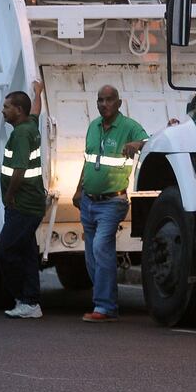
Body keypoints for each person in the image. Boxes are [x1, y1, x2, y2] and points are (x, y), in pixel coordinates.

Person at [73, 85, 148, 323]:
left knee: (100, 248)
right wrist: (78, 190)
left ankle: (104, 306)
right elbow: (88, 161)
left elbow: (150, 140)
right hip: (88, 201)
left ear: (119, 103)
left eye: (109, 100)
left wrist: (138, 144)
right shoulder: (93, 126)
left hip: (113, 202)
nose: (104, 104)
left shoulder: (128, 126)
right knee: (91, 256)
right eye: (100, 100)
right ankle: (105, 301)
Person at [0, 80, 48, 319]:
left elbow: (19, 169)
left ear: (18, 110)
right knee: (27, 254)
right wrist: (38, 93)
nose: (3, 111)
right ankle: (30, 302)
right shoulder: (30, 124)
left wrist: (9, 196)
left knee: (6, 251)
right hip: (32, 203)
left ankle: (23, 297)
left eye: (6, 107)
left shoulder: (21, 133)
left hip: (23, 205)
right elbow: (36, 110)